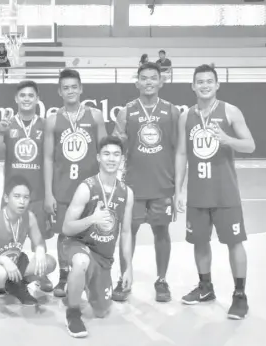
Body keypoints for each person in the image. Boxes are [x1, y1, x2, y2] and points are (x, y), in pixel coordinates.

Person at [175, 64, 255, 320]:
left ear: (217, 84)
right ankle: (205, 287)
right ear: (193, 86)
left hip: (225, 193)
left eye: (209, 81)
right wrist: (178, 190)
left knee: (234, 242)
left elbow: (251, 145)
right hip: (198, 193)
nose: (205, 85)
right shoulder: (186, 116)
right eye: (200, 81)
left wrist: (228, 140)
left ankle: (240, 294)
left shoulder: (230, 111)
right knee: (199, 242)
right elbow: (181, 154)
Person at [111, 62, 180, 303]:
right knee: (128, 233)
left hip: (163, 186)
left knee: (162, 232)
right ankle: (124, 278)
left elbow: (180, 152)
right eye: (144, 78)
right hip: (133, 187)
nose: (149, 81)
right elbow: (115, 150)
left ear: (161, 82)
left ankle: (161, 280)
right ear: (137, 82)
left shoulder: (172, 112)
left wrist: (178, 189)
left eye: (153, 77)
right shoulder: (126, 112)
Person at [44, 68, 108, 297]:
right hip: (63, 188)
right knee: (64, 232)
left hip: (90, 187)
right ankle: (63, 275)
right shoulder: (53, 120)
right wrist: (49, 193)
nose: (70, 91)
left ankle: (92, 275)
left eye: (74, 87)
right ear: (59, 92)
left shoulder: (95, 116)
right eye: (65, 88)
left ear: (81, 89)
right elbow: (48, 158)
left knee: (92, 231)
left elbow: (105, 152)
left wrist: (105, 186)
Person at [62, 136, 133, 338]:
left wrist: (128, 268)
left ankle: (77, 281)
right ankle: (73, 313)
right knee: (81, 261)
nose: (111, 159)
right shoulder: (87, 188)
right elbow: (67, 228)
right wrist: (92, 219)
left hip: (103, 258)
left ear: (122, 159)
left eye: (116, 154)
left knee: (101, 312)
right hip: (80, 245)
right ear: (98, 157)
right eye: (107, 154)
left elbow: (126, 233)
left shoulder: (127, 193)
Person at [0, 80, 53, 292]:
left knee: (40, 238)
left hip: (37, 192)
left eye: (31, 95)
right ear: (16, 99)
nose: (27, 99)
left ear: (37, 99)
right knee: (6, 237)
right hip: (11, 193)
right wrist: (0, 133)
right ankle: (2, 275)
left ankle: (41, 274)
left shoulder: (45, 125)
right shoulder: (9, 124)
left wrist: (48, 194)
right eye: (23, 96)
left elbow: (49, 159)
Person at [0, 175, 57, 321]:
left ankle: (17, 286)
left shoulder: (28, 217)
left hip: (15, 263)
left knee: (48, 262)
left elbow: (39, 242)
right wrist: (3, 260)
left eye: (26, 197)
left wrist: (40, 250)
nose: (22, 201)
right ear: (6, 198)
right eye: (17, 196)